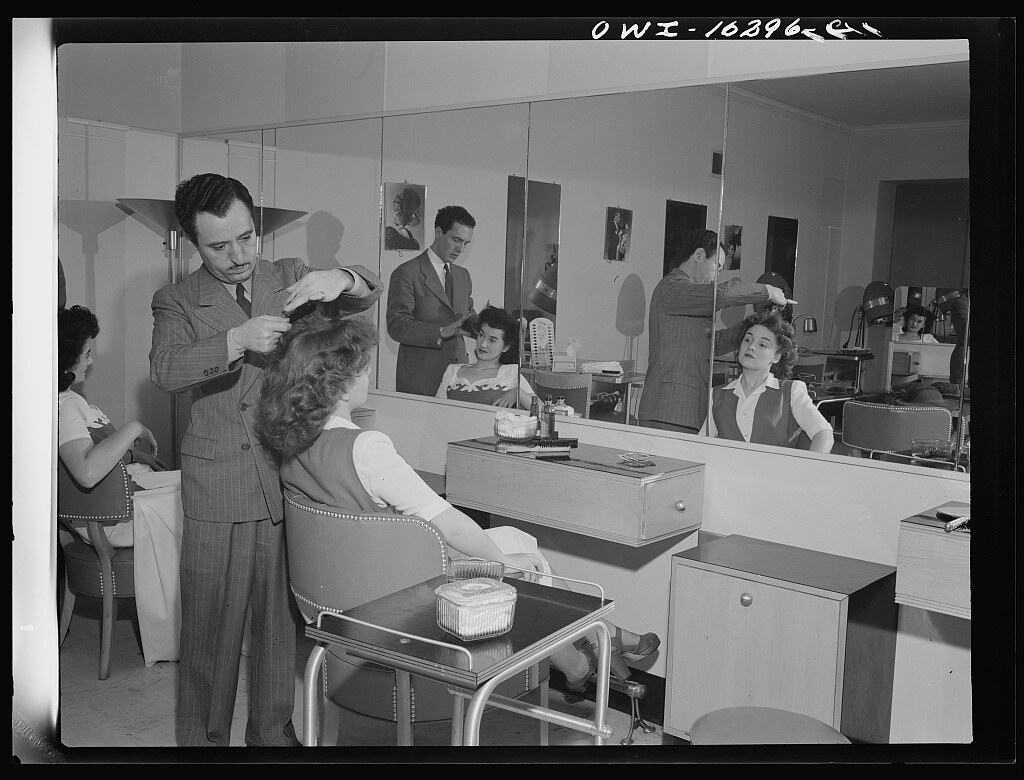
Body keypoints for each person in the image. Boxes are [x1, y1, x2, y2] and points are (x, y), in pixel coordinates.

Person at [255, 312, 660, 694]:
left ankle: (585, 656)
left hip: (339, 598)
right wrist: (507, 562)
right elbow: (450, 525)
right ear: (340, 385)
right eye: (363, 368)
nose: (367, 374)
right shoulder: (365, 447)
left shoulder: (293, 441)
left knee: (517, 539)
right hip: (399, 601)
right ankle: (593, 649)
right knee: (527, 558)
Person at [149, 172, 382, 748]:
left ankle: (272, 734)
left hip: (285, 475)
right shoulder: (176, 300)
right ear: (191, 244)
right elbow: (165, 372)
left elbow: (367, 291)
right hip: (219, 483)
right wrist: (234, 341)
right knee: (209, 634)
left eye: (247, 238)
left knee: (280, 625)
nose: (238, 257)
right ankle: (203, 745)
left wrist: (343, 276)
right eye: (219, 246)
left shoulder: (290, 277)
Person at [58, 305, 183, 666]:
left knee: (198, 484)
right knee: (206, 501)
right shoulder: (65, 406)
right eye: (86, 352)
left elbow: (95, 458)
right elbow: (84, 472)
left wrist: (133, 456)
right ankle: (193, 630)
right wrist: (132, 428)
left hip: (119, 505)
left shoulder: (74, 403)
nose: (91, 360)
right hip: (111, 519)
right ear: (66, 359)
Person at [637, 229, 789, 434]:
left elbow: (712, 345)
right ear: (698, 255)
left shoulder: (686, 297)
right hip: (669, 409)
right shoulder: (671, 288)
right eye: (716, 267)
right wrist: (768, 291)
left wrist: (751, 330)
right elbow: (722, 293)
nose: (716, 276)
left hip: (690, 410)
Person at [704, 309, 834, 453]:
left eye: (762, 345)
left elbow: (824, 434)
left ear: (777, 356)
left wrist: (807, 472)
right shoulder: (716, 395)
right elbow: (701, 444)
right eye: (747, 339)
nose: (751, 346)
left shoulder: (791, 391)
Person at [386, 205, 479, 396]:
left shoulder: (463, 276)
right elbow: (397, 325)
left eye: (466, 244)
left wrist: (499, 326)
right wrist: (440, 332)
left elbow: (467, 318)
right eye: (456, 240)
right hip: (421, 379)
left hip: (458, 377)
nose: (460, 249)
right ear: (438, 232)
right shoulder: (407, 273)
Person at [435, 304, 537, 409]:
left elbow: (543, 410)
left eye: (492, 340)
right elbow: (436, 411)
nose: (483, 344)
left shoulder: (511, 372)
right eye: (481, 335)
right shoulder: (452, 370)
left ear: (505, 347)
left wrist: (518, 394)